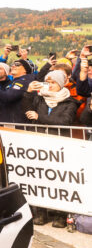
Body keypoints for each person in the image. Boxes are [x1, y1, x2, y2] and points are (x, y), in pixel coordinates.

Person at [23, 70, 78, 227]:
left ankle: (59, 215)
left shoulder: (70, 102)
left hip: (58, 148)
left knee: (59, 180)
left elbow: (64, 122)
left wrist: (40, 118)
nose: (50, 85)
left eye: (53, 82)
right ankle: (40, 213)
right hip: (39, 145)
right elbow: (26, 111)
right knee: (39, 178)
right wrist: (28, 92)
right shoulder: (40, 99)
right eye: (48, 81)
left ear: (60, 84)